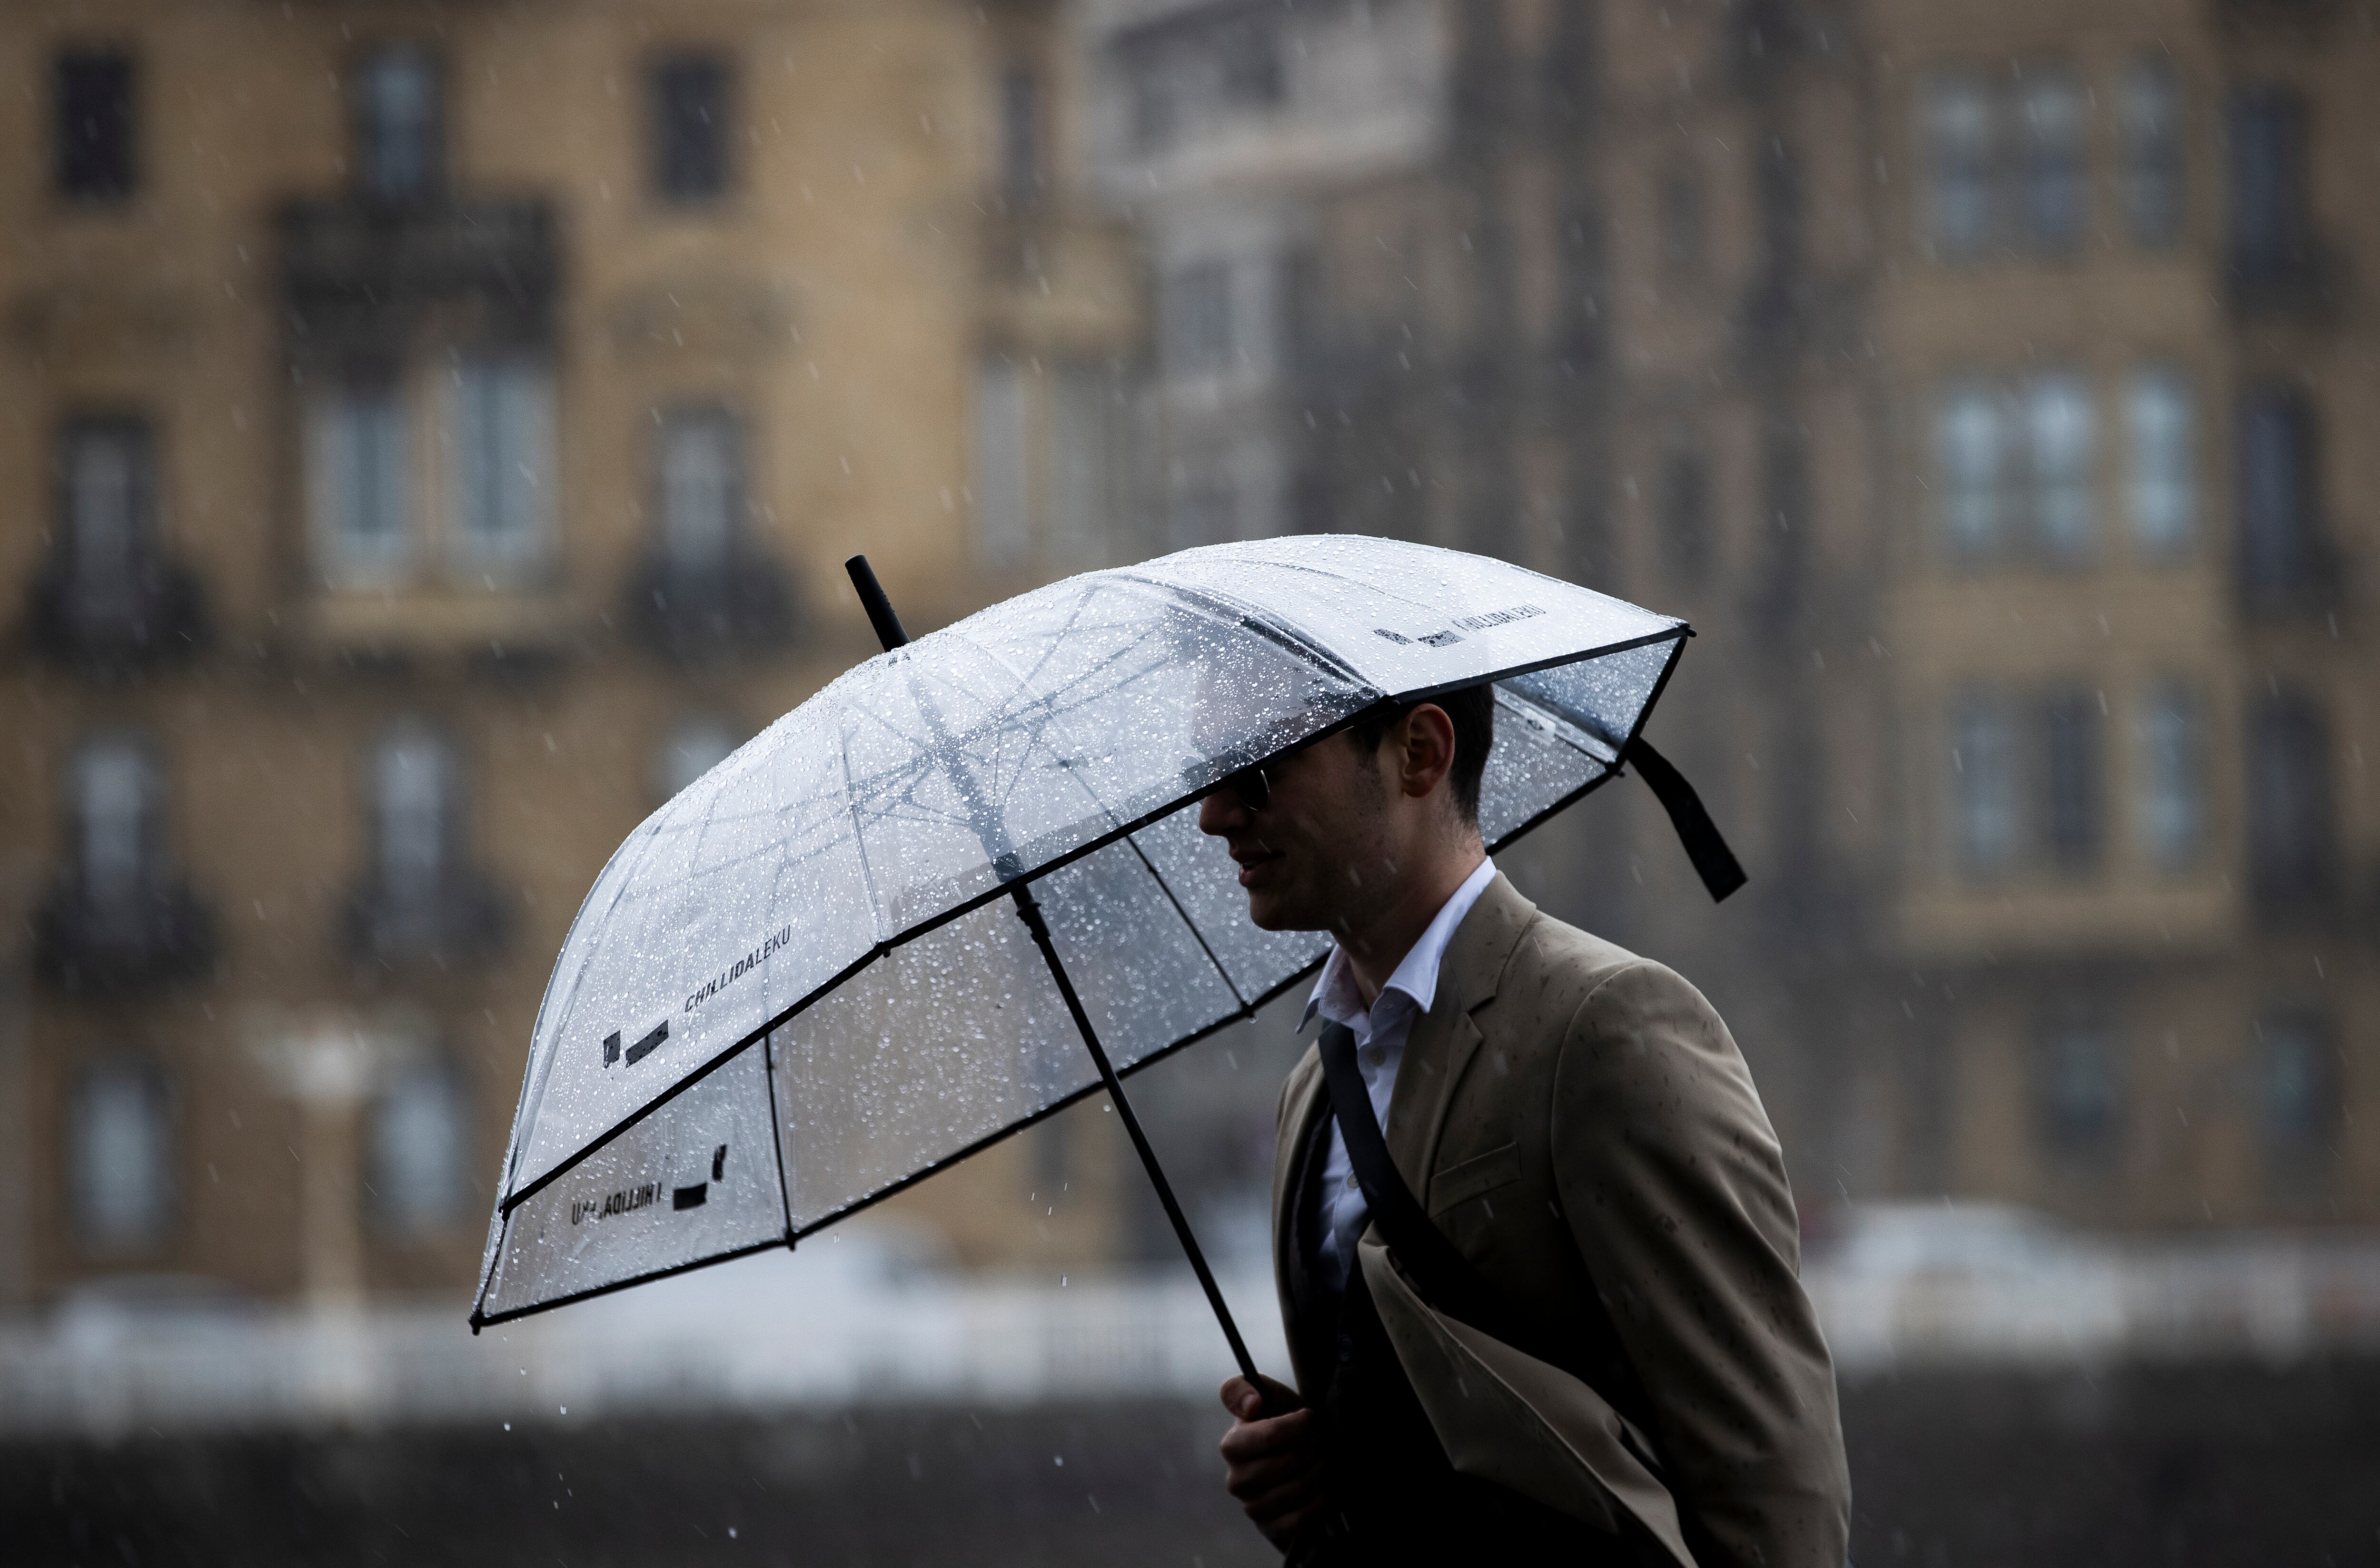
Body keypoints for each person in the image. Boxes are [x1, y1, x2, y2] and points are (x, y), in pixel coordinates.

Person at [1196, 684, 1850, 1566]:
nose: (1214, 814)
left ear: (1420, 754)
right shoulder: (1314, 1086)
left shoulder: (1606, 1026)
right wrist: (1324, 1487)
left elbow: (1767, 1475)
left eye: (1259, 770)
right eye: (1209, 773)